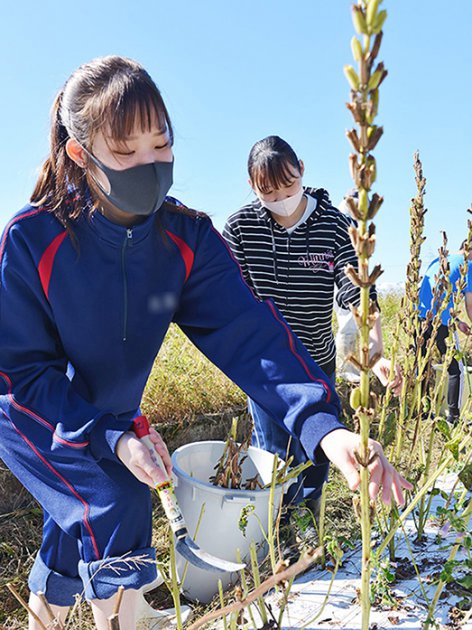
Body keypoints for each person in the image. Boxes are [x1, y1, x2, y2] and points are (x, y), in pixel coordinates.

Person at [0, 58, 411, 630]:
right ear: (80, 154)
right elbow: (23, 375)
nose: (149, 163)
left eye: (161, 144)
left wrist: (327, 427)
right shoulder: (34, 238)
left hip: (107, 413)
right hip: (30, 408)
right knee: (114, 501)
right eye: (126, 151)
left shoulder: (183, 240)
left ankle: (43, 619)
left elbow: (252, 335)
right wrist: (113, 436)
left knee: (75, 523)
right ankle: (127, 618)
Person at [223, 135, 401, 511]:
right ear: (252, 187)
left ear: (301, 169)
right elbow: (226, 295)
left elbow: (357, 292)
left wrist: (375, 351)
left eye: (288, 185)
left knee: (321, 447)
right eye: (268, 192)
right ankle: (277, 528)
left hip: (316, 359)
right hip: (266, 367)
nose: (281, 198)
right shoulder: (240, 228)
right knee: (273, 453)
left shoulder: (334, 225)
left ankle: (312, 515)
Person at [418, 240, 472, 423]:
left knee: (423, 366)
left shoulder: (439, 260)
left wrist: (457, 321)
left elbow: (435, 297)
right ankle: (453, 418)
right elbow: (470, 307)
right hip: (440, 324)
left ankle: (422, 413)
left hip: (419, 320)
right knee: (456, 369)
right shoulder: (468, 265)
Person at [334, 189, 361, 382]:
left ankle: (350, 367)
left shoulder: (354, 220)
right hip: (343, 279)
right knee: (348, 323)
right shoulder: (341, 218)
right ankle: (346, 370)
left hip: (352, 278)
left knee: (352, 324)